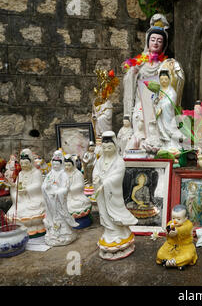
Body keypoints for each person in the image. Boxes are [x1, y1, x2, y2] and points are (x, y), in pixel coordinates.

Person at [122, 14, 184, 148]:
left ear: (164, 45)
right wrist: (132, 73)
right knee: (140, 120)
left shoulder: (166, 64)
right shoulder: (139, 64)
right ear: (148, 42)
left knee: (159, 119)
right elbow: (129, 81)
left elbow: (173, 82)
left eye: (159, 41)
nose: (155, 43)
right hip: (141, 102)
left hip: (158, 101)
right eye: (153, 40)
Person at [93, 131, 138, 260]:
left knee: (115, 213)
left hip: (112, 194)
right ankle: (109, 231)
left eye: (109, 147)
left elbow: (117, 176)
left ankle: (119, 233)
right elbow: (96, 172)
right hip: (101, 193)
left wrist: (105, 183)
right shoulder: (100, 160)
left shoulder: (119, 161)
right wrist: (96, 179)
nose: (107, 150)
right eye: (104, 147)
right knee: (104, 212)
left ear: (115, 147)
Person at [42, 150, 79, 246]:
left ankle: (65, 233)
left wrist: (57, 192)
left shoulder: (64, 174)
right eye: (53, 165)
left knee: (60, 217)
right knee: (52, 216)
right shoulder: (50, 174)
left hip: (58, 200)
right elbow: (44, 184)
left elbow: (65, 188)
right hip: (50, 200)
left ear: (61, 164)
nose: (55, 167)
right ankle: (53, 233)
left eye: (57, 165)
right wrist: (46, 187)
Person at [6, 149, 46, 238]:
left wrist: (27, 189)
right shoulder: (20, 173)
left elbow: (38, 185)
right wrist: (13, 185)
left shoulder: (36, 172)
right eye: (22, 164)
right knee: (13, 211)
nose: (24, 166)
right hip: (22, 199)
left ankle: (34, 223)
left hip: (33, 198)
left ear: (31, 162)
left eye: (26, 163)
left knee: (33, 211)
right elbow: (17, 185)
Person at [156, 204, 198, 270]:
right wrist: (168, 231)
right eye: (173, 218)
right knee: (160, 254)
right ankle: (177, 263)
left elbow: (182, 230)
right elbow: (168, 231)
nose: (175, 221)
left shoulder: (188, 225)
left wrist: (175, 231)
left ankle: (171, 262)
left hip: (185, 247)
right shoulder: (170, 223)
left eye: (178, 219)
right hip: (170, 246)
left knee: (188, 256)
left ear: (185, 218)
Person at [64, 154, 92, 228]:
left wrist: (71, 189)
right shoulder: (63, 174)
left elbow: (80, 185)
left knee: (78, 205)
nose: (67, 167)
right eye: (65, 165)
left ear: (73, 165)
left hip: (77, 196)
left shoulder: (78, 174)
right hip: (67, 196)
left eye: (69, 165)